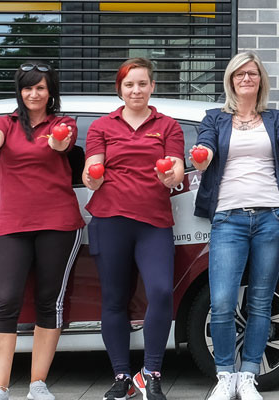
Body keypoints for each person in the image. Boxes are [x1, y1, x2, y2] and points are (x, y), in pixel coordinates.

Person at [0, 61, 82, 400]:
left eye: (40, 87)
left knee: (48, 302)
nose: (34, 93)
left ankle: (37, 384)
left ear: (50, 91)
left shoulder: (63, 123)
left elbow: (61, 146)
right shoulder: (7, 124)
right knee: (6, 302)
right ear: (20, 91)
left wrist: (56, 140)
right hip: (13, 224)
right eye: (28, 87)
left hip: (58, 224)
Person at [192, 52, 279, 400]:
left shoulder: (276, 118)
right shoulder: (214, 118)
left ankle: (249, 374)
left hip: (271, 216)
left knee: (261, 300)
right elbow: (204, 149)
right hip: (228, 218)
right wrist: (202, 157)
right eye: (240, 74)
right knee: (222, 301)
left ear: (260, 79)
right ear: (231, 80)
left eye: (252, 73)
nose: (246, 79)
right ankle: (225, 374)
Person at [81, 57, 186, 400]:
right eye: (129, 84)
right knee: (115, 299)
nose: (136, 90)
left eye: (142, 83)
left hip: (153, 221)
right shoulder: (101, 127)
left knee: (159, 292)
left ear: (152, 86)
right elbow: (92, 168)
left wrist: (169, 176)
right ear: (120, 90)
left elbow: (178, 170)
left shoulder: (168, 125)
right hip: (110, 220)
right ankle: (121, 375)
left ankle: (151, 373)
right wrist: (91, 178)